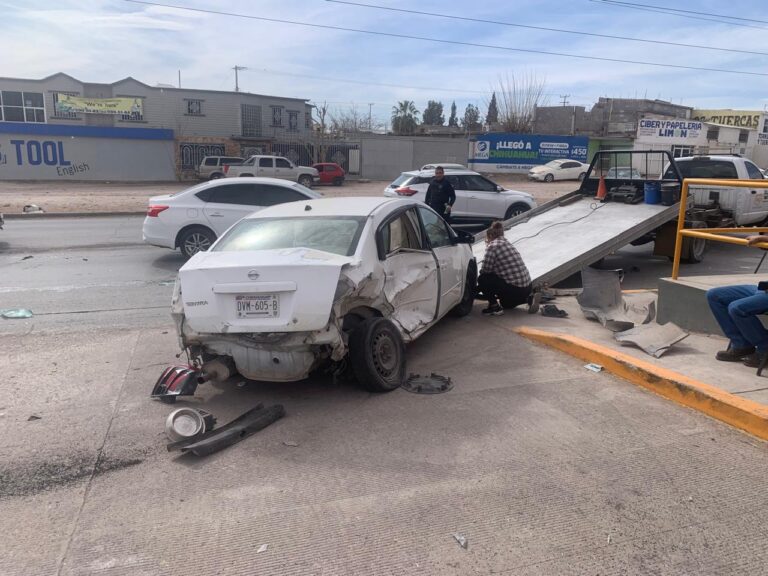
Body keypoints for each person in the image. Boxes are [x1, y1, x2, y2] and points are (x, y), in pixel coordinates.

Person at [706, 233, 768, 368]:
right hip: (765, 288)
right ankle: (742, 345)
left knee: (737, 308)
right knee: (714, 295)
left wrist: (762, 238)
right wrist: (761, 238)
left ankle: (765, 347)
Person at [478, 221, 535, 316]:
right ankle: (528, 299)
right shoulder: (507, 243)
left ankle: (494, 307)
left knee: (483, 279)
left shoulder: (493, 246)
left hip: (514, 289)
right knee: (506, 304)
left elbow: (485, 270)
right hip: (527, 287)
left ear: (490, 235)